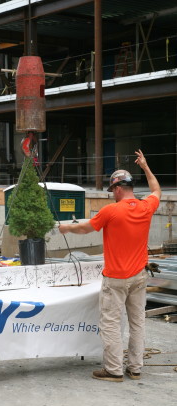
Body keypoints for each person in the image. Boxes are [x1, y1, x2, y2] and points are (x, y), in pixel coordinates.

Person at [59, 150, 161, 382]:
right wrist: (145, 166)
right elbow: (156, 190)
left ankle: (114, 370)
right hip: (139, 276)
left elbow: (86, 228)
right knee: (138, 323)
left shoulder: (111, 211)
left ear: (117, 188)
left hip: (116, 278)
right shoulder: (146, 207)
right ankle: (135, 368)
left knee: (111, 324)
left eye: (112, 190)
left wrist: (66, 227)